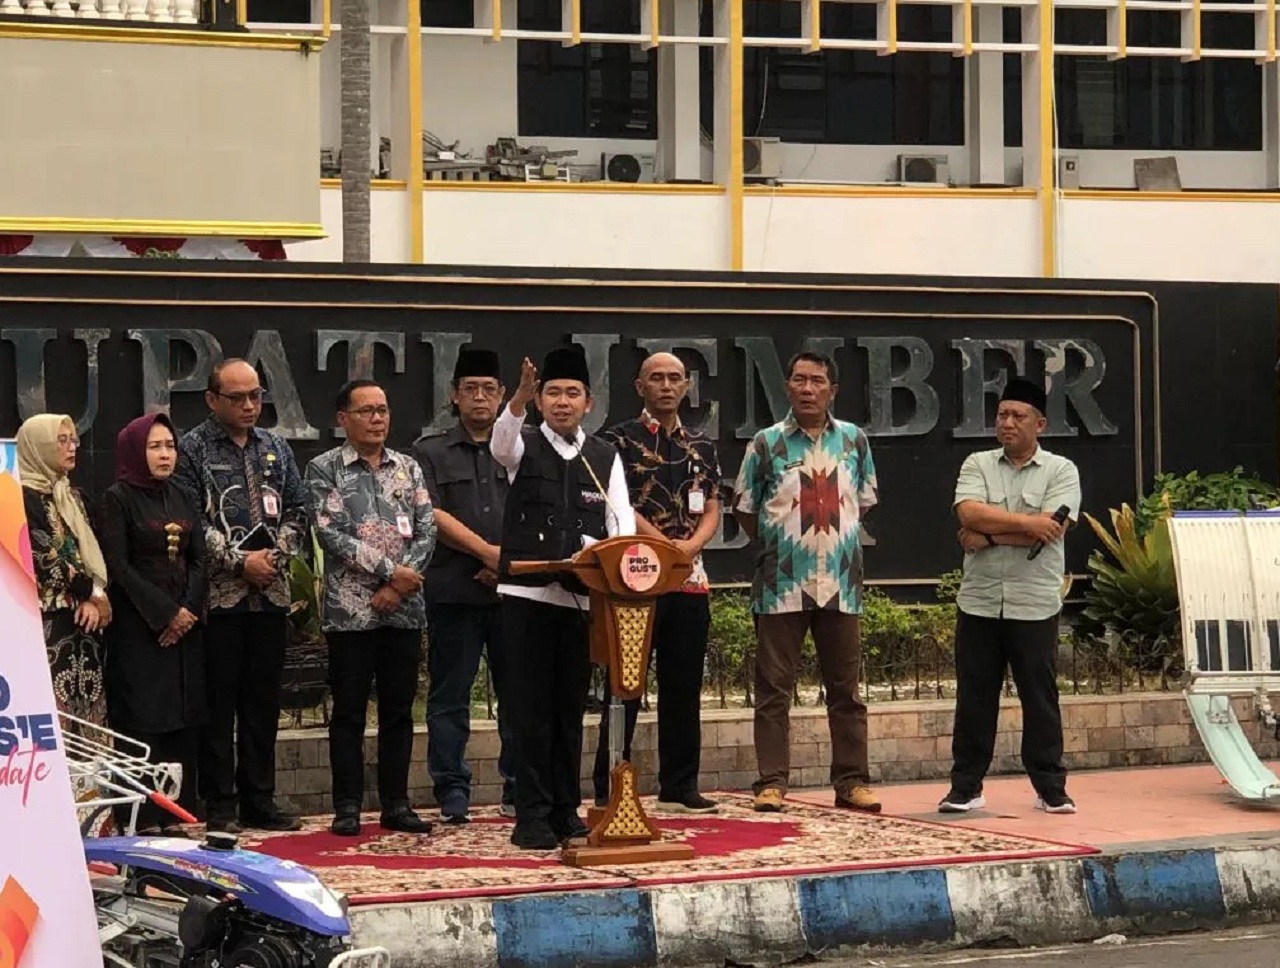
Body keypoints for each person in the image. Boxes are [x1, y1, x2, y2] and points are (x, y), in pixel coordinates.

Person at [491, 345, 635, 850]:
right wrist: (518, 401)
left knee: (568, 710)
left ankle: (563, 809)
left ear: (588, 402)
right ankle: (529, 813)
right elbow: (499, 447)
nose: (562, 402)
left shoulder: (604, 456)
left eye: (572, 393)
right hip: (526, 595)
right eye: (553, 392)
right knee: (529, 710)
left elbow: (622, 525)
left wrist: (595, 559)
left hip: (578, 599)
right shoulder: (522, 441)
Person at [732, 351, 880, 815]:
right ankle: (771, 783)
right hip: (780, 584)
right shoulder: (766, 443)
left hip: (840, 582)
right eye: (799, 380)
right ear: (788, 387)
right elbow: (745, 508)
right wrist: (785, 546)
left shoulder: (854, 441)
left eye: (818, 381)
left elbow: (865, 500)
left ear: (832, 390)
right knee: (773, 690)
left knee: (847, 691)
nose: (808, 388)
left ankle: (852, 781)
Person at [173, 358, 308, 834]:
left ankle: (260, 798)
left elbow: (297, 508)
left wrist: (275, 555)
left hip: (270, 594)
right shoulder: (191, 449)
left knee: (262, 701)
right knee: (219, 703)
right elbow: (191, 520)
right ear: (212, 399)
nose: (250, 405)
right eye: (238, 397)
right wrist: (238, 561)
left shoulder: (275, 446)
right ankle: (221, 802)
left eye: (256, 396)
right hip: (220, 598)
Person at [590, 352, 722, 814]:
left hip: (689, 577)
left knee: (684, 685)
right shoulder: (616, 441)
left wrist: (690, 547)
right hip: (636, 576)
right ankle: (610, 784)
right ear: (639, 385)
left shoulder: (702, 443)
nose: (666, 386)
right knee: (625, 685)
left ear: (686, 386)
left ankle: (680, 784)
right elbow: (618, 505)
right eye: (656, 378)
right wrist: (663, 544)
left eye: (674, 379)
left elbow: (712, 506)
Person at [944, 377, 1081, 815]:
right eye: (1002, 414)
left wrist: (988, 532)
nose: (1007, 423)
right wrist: (1025, 525)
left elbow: (1052, 531)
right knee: (974, 695)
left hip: (1034, 601)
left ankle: (1050, 787)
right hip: (980, 600)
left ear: (1039, 423)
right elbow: (968, 512)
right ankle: (966, 786)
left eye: (1017, 416)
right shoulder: (977, 463)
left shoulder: (1061, 471)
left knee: (1039, 697)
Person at [306, 379, 436, 837]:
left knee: (399, 711)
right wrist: (388, 572)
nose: (378, 418)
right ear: (343, 418)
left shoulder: (409, 468)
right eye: (366, 411)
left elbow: (426, 530)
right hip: (351, 612)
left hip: (403, 611)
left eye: (382, 410)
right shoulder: (324, 469)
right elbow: (331, 533)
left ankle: (396, 803)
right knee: (349, 712)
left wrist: (399, 586)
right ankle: (347, 806)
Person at [412, 349, 517, 824]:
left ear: (502, 397)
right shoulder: (430, 451)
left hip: (515, 592)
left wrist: (507, 562)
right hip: (455, 590)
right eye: (470, 389)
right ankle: (452, 789)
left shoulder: (521, 447)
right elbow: (431, 514)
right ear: (454, 395)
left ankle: (519, 785)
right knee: (451, 696)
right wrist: (486, 553)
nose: (480, 397)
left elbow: (534, 507)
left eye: (489, 389)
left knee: (520, 693)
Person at [100, 414, 208, 835]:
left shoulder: (182, 495)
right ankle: (142, 817)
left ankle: (175, 813)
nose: (165, 455)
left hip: (184, 630)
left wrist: (187, 612)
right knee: (144, 717)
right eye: (155, 447)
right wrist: (165, 613)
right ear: (135, 451)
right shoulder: (117, 498)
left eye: (169, 446)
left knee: (182, 717)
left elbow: (199, 558)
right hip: (140, 630)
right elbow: (118, 566)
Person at [17, 414, 112, 728]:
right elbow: (44, 560)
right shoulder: (20, 498)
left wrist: (91, 598)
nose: (72, 448)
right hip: (45, 626)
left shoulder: (70, 496)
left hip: (83, 623)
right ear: (39, 445)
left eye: (74, 440)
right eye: (62, 440)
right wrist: (93, 593)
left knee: (88, 719)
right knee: (53, 723)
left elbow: (87, 556)